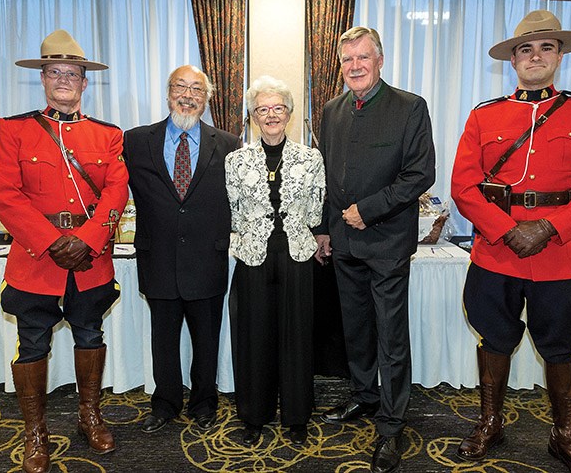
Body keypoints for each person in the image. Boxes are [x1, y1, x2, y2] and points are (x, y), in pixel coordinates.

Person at [450, 10, 571, 473]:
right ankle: (491, 421)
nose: (535, 56)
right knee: (494, 336)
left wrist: (546, 228)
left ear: (560, 55)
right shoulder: (485, 115)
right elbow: (464, 186)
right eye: (525, 48)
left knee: (562, 344)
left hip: (559, 252)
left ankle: (564, 434)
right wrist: (508, 230)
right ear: (513, 59)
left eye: (546, 47)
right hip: (497, 250)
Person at [0, 30, 129, 473]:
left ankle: (90, 416)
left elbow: (115, 191)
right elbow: (4, 196)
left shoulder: (107, 135)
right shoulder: (12, 130)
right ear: (43, 78)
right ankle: (35, 432)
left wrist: (85, 240)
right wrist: (52, 242)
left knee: (90, 335)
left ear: (85, 82)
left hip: (89, 260)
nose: (64, 79)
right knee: (32, 344)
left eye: (73, 73)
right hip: (36, 259)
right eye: (55, 72)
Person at [314, 26, 436, 473]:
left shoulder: (409, 107)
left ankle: (391, 423)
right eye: (347, 59)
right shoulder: (331, 110)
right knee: (356, 330)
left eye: (363, 57)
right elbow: (329, 179)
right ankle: (364, 397)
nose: (355, 66)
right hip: (343, 242)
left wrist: (369, 210)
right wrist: (326, 230)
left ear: (380, 60)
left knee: (390, 335)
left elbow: (420, 174)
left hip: (385, 241)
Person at [123, 65, 240, 434]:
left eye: (197, 90)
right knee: (163, 339)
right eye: (180, 87)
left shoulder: (230, 143)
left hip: (208, 258)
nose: (188, 95)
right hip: (157, 258)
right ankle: (165, 403)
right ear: (168, 91)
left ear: (207, 100)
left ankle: (205, 402)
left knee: (207, 339)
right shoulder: (135, 141)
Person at [225, 76, 326, 447]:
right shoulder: (235, 160)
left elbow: (316, 208)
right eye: (262, 109)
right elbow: (234, 212)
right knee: (253, 337)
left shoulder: (311, 158)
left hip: (297, 253)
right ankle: (254, 416)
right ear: (253, 116)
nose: (270, 115)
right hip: (252, 255)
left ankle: (297, 417)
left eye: (278, 108)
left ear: (289, 113)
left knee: (296, 337)